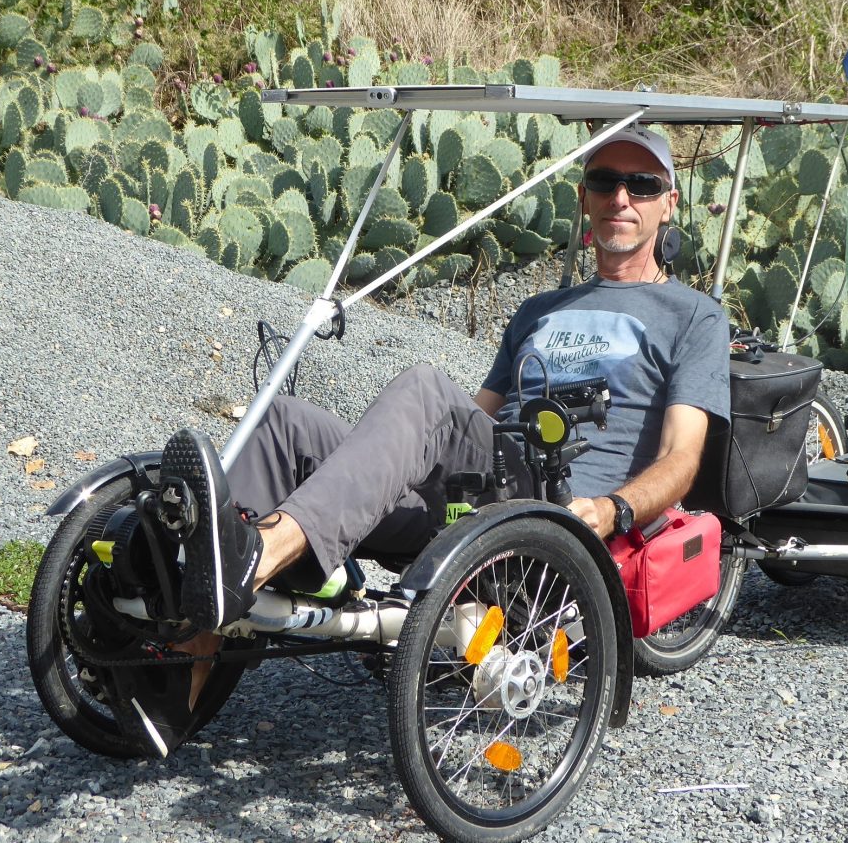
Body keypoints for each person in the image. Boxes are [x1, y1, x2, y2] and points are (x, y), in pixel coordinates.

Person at [132, 123, 731, 752]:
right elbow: (471, 418)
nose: (621, 198)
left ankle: (259, 554)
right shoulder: (540, 311)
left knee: (425, 390)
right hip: (476, 491)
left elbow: (682, 457)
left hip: (557, 506)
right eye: (605, 182)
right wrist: (383, 470)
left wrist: (612, 509)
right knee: (285, 423)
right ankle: (188, 657)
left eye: (642, 185)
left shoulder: (692, 316)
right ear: (585, 197)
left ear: (669, 203)